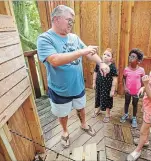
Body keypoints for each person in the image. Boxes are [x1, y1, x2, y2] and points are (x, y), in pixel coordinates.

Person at [37, 5, 110, 148]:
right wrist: (82, 52)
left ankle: (83, 124)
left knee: (81, 107)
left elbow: (89, 52)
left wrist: (101, 63)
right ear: (56, 19)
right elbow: (55, 60)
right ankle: (64, 131)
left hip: (78, 85)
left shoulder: (74, 38)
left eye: (73, 21)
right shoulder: (45, 39)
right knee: (62, 113)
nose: (71, 23)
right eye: (68, 20)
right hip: (59, 89)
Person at [92, 48, 118, 123]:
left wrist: (113, 90)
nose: (105, 56)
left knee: (107, 100)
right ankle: (98, 109)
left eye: (108, 55)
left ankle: (107, 114)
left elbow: (115, 79)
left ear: (111, 59)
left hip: (107, 88)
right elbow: (95, 73)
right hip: (99, 86)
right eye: (104, 54)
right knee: (98, 97)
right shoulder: (99, 64)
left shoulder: (112, 67)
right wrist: (94, 82)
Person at [120, 48, 145, 128]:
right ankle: (126, 114)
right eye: (130, 56)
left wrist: (142, 89)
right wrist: (125, 87)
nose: (130, 57)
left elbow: (144, 81)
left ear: (138, 61)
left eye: (133, 57)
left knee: (135, 104)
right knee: (126, 102)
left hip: (136, 92)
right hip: (128, 91)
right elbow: (123, 78)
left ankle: (134, 118)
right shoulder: (126, 69)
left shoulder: (141, 70)